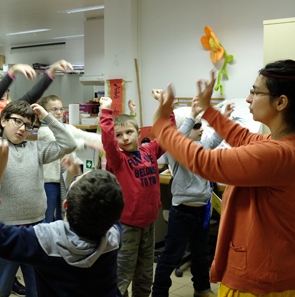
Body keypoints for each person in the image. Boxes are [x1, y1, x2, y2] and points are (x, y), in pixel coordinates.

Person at [152, 65, 295, 296]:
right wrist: (208, 110)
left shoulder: (277, 154)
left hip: (260, 280)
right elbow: (243, 137)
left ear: (281, 103)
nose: (248, 98)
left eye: (256, 92)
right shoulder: (277, 144)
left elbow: (204, 161)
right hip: (265, 271)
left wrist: (161, 125)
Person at [0, 139, 125, 297]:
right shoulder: (114, 236)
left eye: (78, 180)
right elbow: (104, 204)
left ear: (65, 205)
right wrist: (74, 176)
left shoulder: (45, 240)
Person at [0, 61, 72, 296]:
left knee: (35, 282)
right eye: (1, 93)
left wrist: (50, 74)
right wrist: (11, 73)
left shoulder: (23, 129)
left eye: (7, 93)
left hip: (32, 220)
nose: (4, 97)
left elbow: (31, 99)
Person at [152, 97, 234, 297]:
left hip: (202, 210)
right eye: (197, 126)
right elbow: (176, 138)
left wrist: (224, 118)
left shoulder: (201, 147)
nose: (201, 129)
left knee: (201, 254)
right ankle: (159, 292)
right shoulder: (175, 151)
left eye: (201, 126)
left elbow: (215, 138)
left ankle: (202, 288)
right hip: (183, 213)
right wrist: (192, 116)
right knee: (170, 256)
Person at [99, 92, 175, 297]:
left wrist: (165, 105)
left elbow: (168, 134)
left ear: (138, 133)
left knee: (145, 274)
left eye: (129, 133)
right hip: (127, 226)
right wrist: (105, 112)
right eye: (119, 135)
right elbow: (107, 142)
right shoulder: (118, 160)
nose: (124, 138)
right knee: (123, 275)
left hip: (148, 224)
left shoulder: (149, 151)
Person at [37, 94, 103, 222]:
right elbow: (62, 145)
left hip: (66, 178)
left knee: (63, 214)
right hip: (49, 181)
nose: (59, 112)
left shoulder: (66, 127)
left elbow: (86, 136)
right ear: (44, 112)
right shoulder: (44, 130)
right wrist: (85, 144)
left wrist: (111, 140)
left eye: (61, 109)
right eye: (54, 109)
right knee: (48, 216)